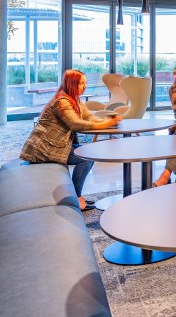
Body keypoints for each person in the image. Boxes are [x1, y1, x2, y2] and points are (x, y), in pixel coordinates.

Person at [20, 69, 121, 211]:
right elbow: (75, 123)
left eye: (85, 83)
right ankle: (76, 197)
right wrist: (104, 124)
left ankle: (76, 195)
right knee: (86, 158)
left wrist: (106, 122)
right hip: (42, 148)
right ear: (71, 84)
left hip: (55, 144)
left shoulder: (75, 99)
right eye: (81, 83)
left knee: (90, 154)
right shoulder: (62, 101)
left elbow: (88, 117)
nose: (84, 86)